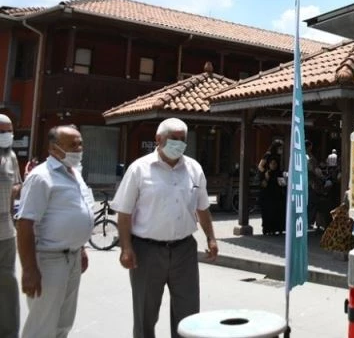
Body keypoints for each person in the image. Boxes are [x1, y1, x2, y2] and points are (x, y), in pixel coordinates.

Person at [111, 118, 218, 338]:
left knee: (188, 315)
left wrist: (211, 238)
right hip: (147, 251)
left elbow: (203, 208)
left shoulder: (194, 168)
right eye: (174, 139)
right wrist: (125, 248)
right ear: (158, 139)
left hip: (184, 250)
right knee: (145, 314)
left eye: (183, 139)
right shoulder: (139, 169)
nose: (179, 143)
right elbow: (124, 212)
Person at [16, 125, 93, 338]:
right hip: (49, 261)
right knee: (42, 325)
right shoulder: (41, 177)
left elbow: (77, 212)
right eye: (72, 145)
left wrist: (81, 248)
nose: (78, 149)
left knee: (63, 323)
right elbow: (25, 224)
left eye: (80, 144)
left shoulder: (75, 174)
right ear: (53, 148)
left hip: (73, 258)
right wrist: (29, 269)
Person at [0, 114, 22, 338]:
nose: (6, 135)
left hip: (5, 231)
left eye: (9, 131)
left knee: (6, 284)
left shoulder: (11, 156)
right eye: (2, 131)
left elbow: (17, 184)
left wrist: (17, 190)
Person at [257, 141, 286, 235]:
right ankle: (268, 228)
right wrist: (266, 173)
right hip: (268, 180)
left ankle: (278, 228)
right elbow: (260, 166)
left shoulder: (278, 156)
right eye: (280, 148)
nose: (281, 150)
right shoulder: (268, 154)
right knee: (269, 207)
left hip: (276, 181)